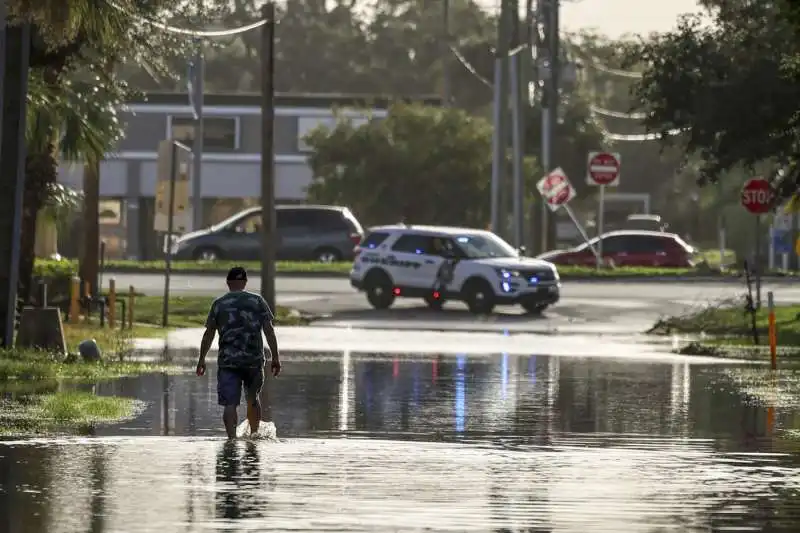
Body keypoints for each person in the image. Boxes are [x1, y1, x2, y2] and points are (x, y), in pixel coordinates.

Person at [195, 266, 282, 439]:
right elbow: (269, 331)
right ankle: (254, 437)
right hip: (253, 361)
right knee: (252, 398)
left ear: (228, 283)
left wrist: (201, 359)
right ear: (245, 282)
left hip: (228, 362)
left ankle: (231, 440)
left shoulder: (219, 304)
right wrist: (275, 357)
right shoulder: (257, 301)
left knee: (230, 403)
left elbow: (209, 333)